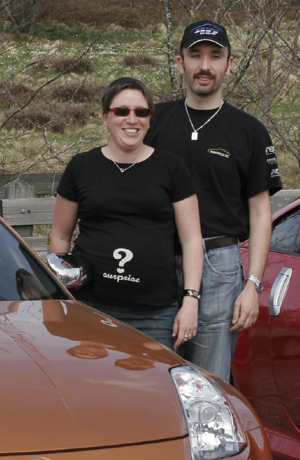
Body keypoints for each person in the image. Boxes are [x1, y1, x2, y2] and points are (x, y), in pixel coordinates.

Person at [145, 19, 283, 380]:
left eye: (214, 56)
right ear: (180, 62)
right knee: (153, 379)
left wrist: (253, 285)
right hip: (155, 261)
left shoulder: (249, 131)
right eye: (195, 55)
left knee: (209, 383)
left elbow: (260, 213)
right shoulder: (152, 122)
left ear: (229, 64)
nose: (204, 65)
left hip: (219, 268)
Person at [49, 76, 204, 350]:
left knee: (154, 379)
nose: (132, 119)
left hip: (155, 315)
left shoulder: (172, 168)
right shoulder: (81, 167)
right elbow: (60, 237)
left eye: (141, 112)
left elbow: (192, 240)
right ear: (105, 117)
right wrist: (61, 294)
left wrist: (191, 301)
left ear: (149, 119)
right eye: (121, 111)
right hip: (90, 307)